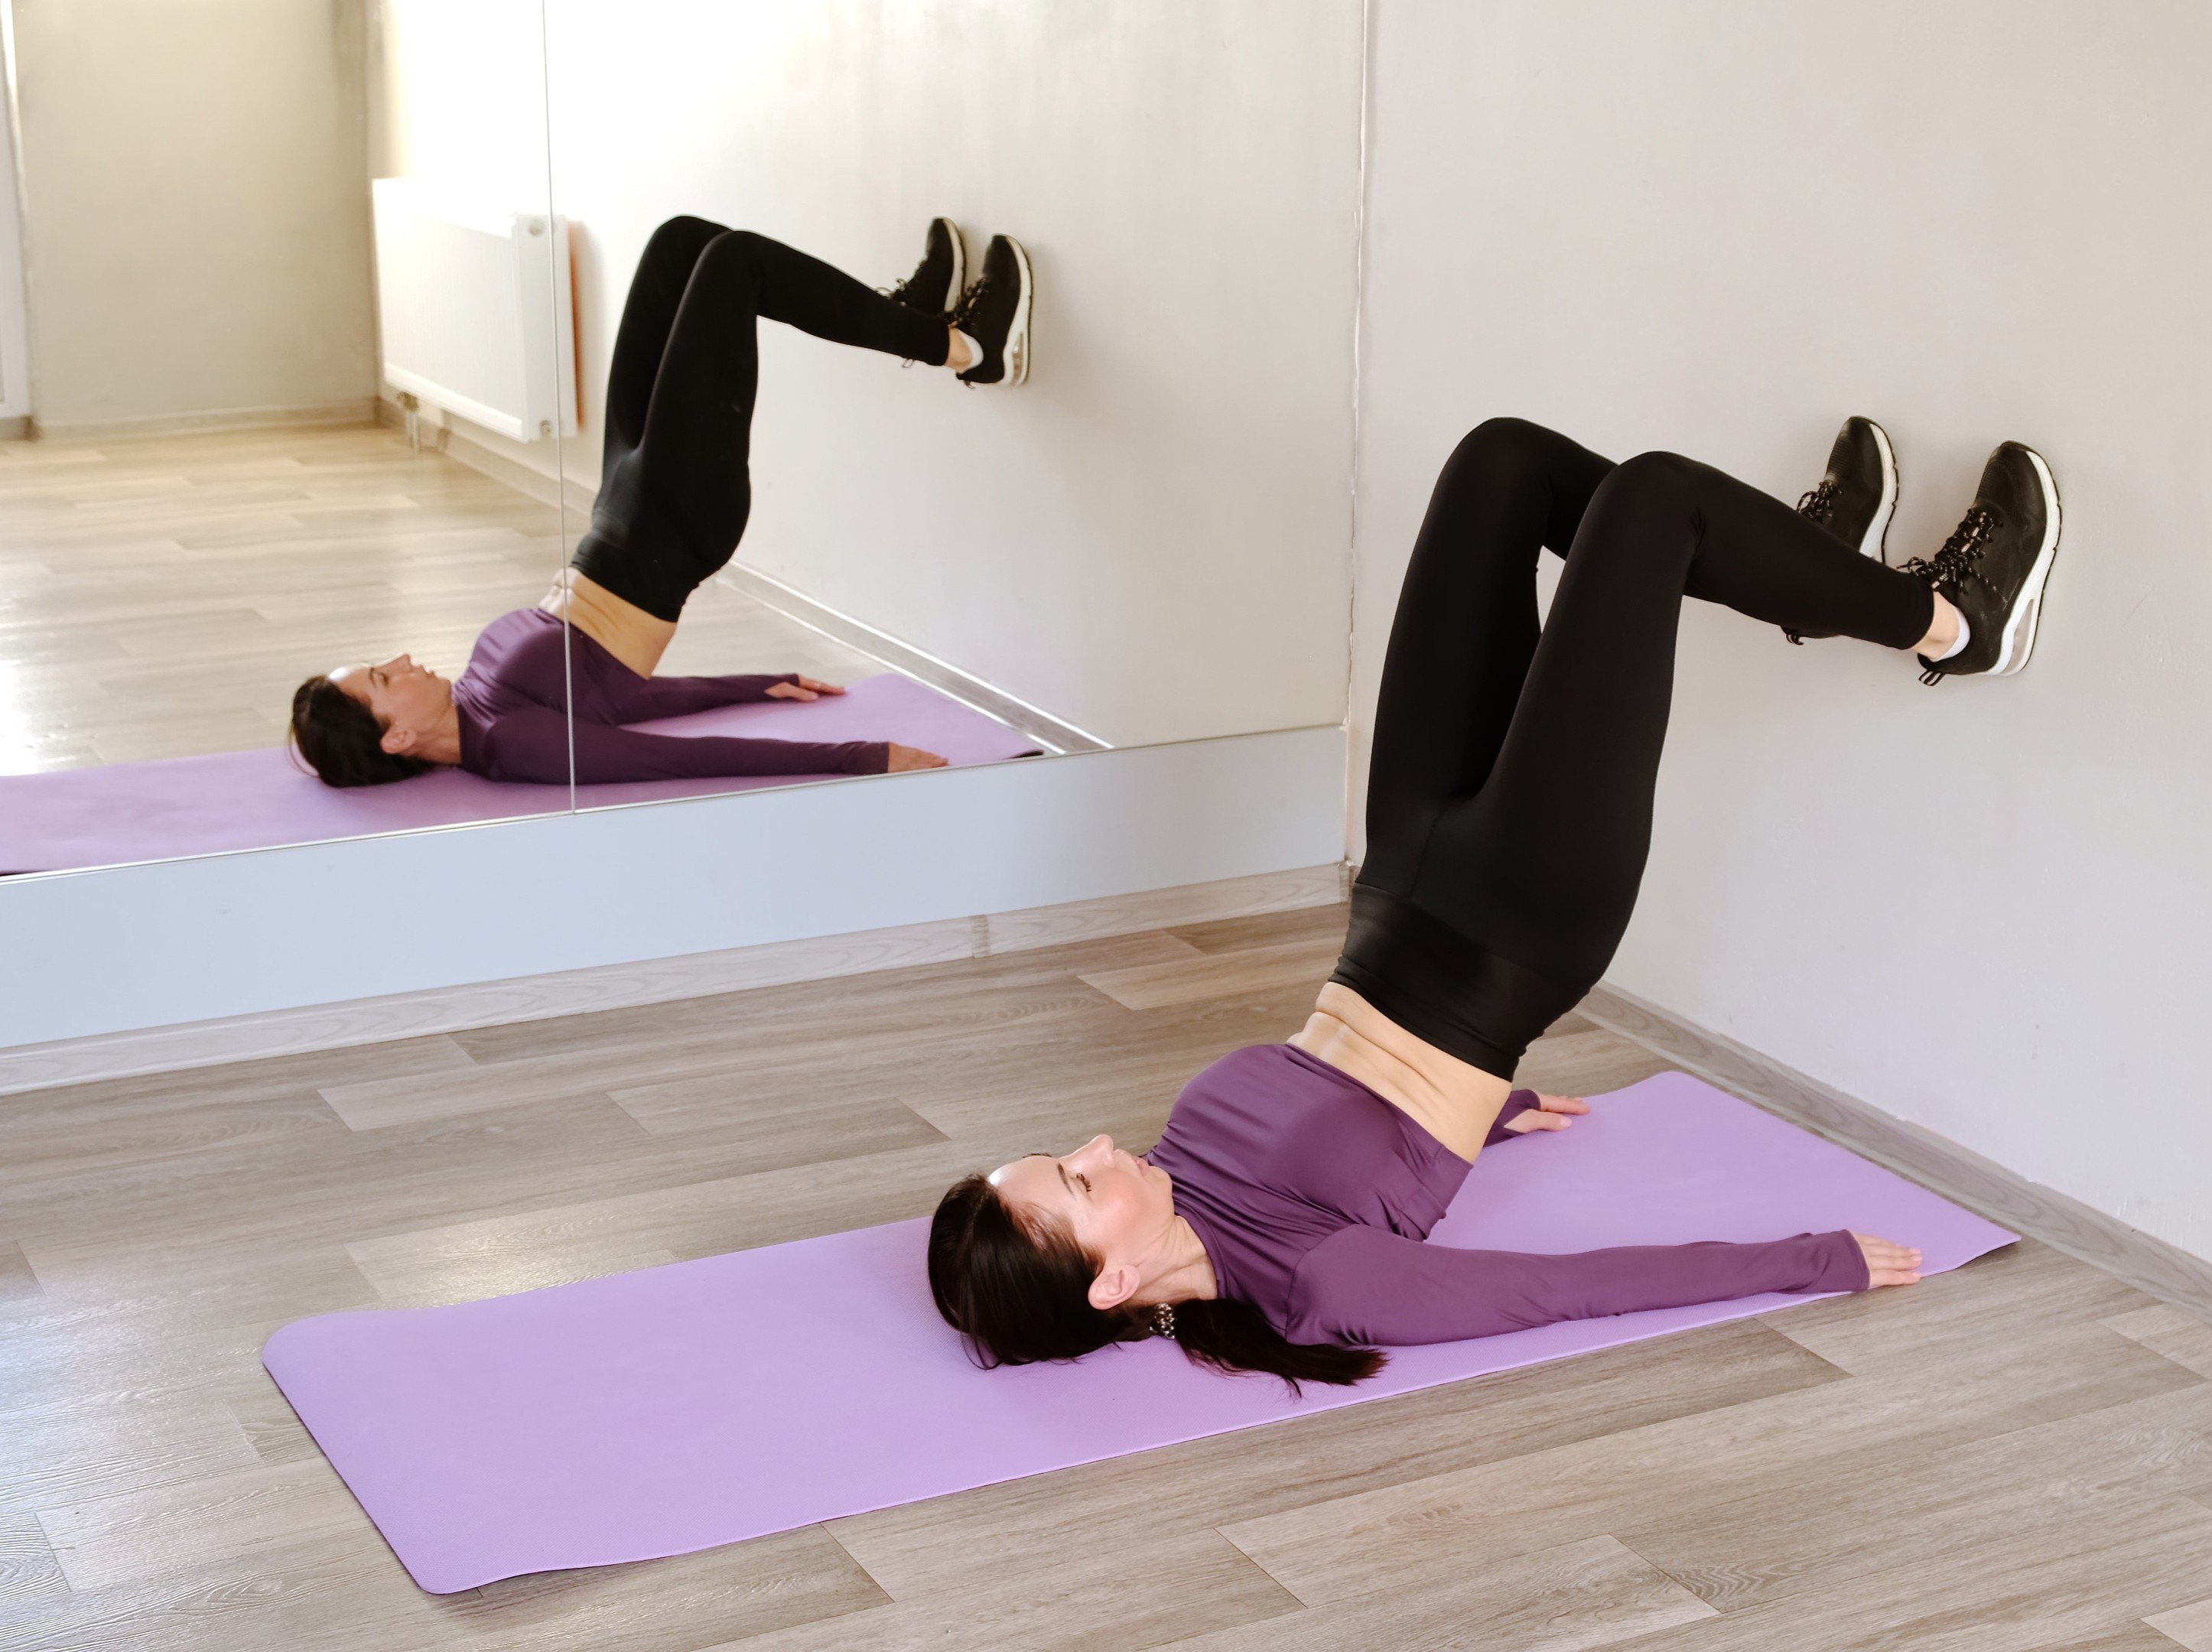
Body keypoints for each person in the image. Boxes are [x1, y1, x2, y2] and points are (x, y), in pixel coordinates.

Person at [930, 414, 2062, 1388]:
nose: (1095, 1143)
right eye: (1078, 1180)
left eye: (1063, 1152)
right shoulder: (1319, 1285)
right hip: (1518, 928)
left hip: (1401, 878)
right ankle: (1954, 625)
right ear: (1114, 1283)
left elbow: (1332, 1132)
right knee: (1656, 499)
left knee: (1501, 462)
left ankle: (1801, 573)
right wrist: (1813, 1261)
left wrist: (1483, 1125)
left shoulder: (1177, 1177)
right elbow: (1557, 1290)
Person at [289, 216, 1034, 789]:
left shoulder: (475, 704)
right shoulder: (508, 744)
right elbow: (658, 757)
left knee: (678, 243)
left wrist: (752, 685)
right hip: (674, 521)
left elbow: (617, 702)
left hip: (620, 511)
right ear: (396, 740)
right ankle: (968, 347)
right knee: (734, 265)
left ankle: (904, 318)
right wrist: (860, 756)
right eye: (384, 680)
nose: (402, 659)